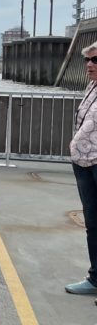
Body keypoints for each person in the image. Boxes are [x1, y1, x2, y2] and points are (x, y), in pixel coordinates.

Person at [66, 44, 97, 295]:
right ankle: (95, 277)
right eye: (88, 60)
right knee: (93, 221)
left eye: (96, 60)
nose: (89, 65)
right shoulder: (91, 87)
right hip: (84, 162)